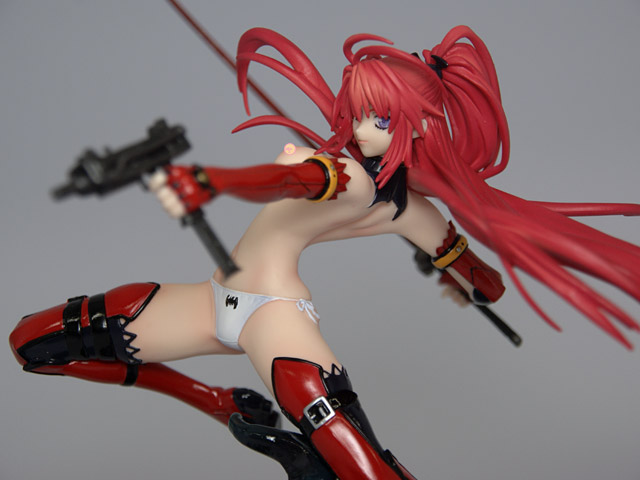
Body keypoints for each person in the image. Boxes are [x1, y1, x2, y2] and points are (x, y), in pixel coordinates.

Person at [9, 25, 640, 479]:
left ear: (417, 124)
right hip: (208, 303)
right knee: (33, 347)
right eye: (359, 111)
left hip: (273, 318)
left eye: (380, 119)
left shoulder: (351, 178)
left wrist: (212, 180)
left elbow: (288, 181)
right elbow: (482, 279)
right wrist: (467, 285)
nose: (361, 127)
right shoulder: (416, 211)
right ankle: (215, 400)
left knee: (354, 460)